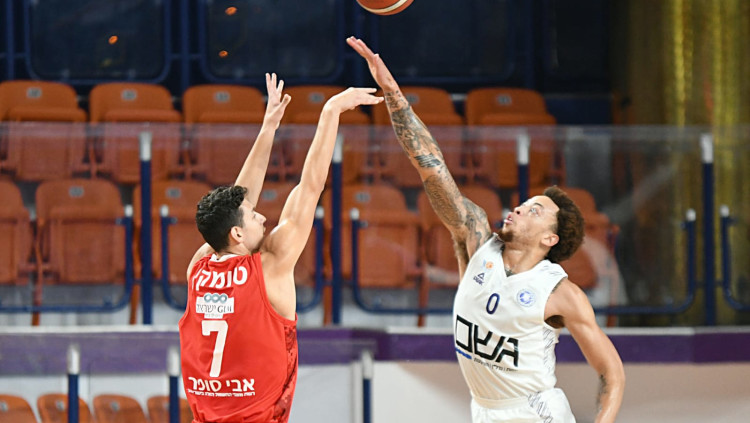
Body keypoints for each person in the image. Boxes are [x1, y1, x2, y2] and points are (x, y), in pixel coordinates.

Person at [347, 37, 625, 423]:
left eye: (534, 211)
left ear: (550, 238)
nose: (518, 209)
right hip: (485, 411)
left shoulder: (561, 293)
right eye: (523, 204)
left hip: (536, 414)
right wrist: (393, 93)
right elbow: (430, 165)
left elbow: (611, 373)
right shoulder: (477, 240)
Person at [179, 72, 383, 423]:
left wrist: (269, 127)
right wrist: (331, 112)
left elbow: (237, 202)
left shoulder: (198, 267)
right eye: (254, 216)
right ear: (237, 234)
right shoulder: (270, 267)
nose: (262, 216)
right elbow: (310, 186)